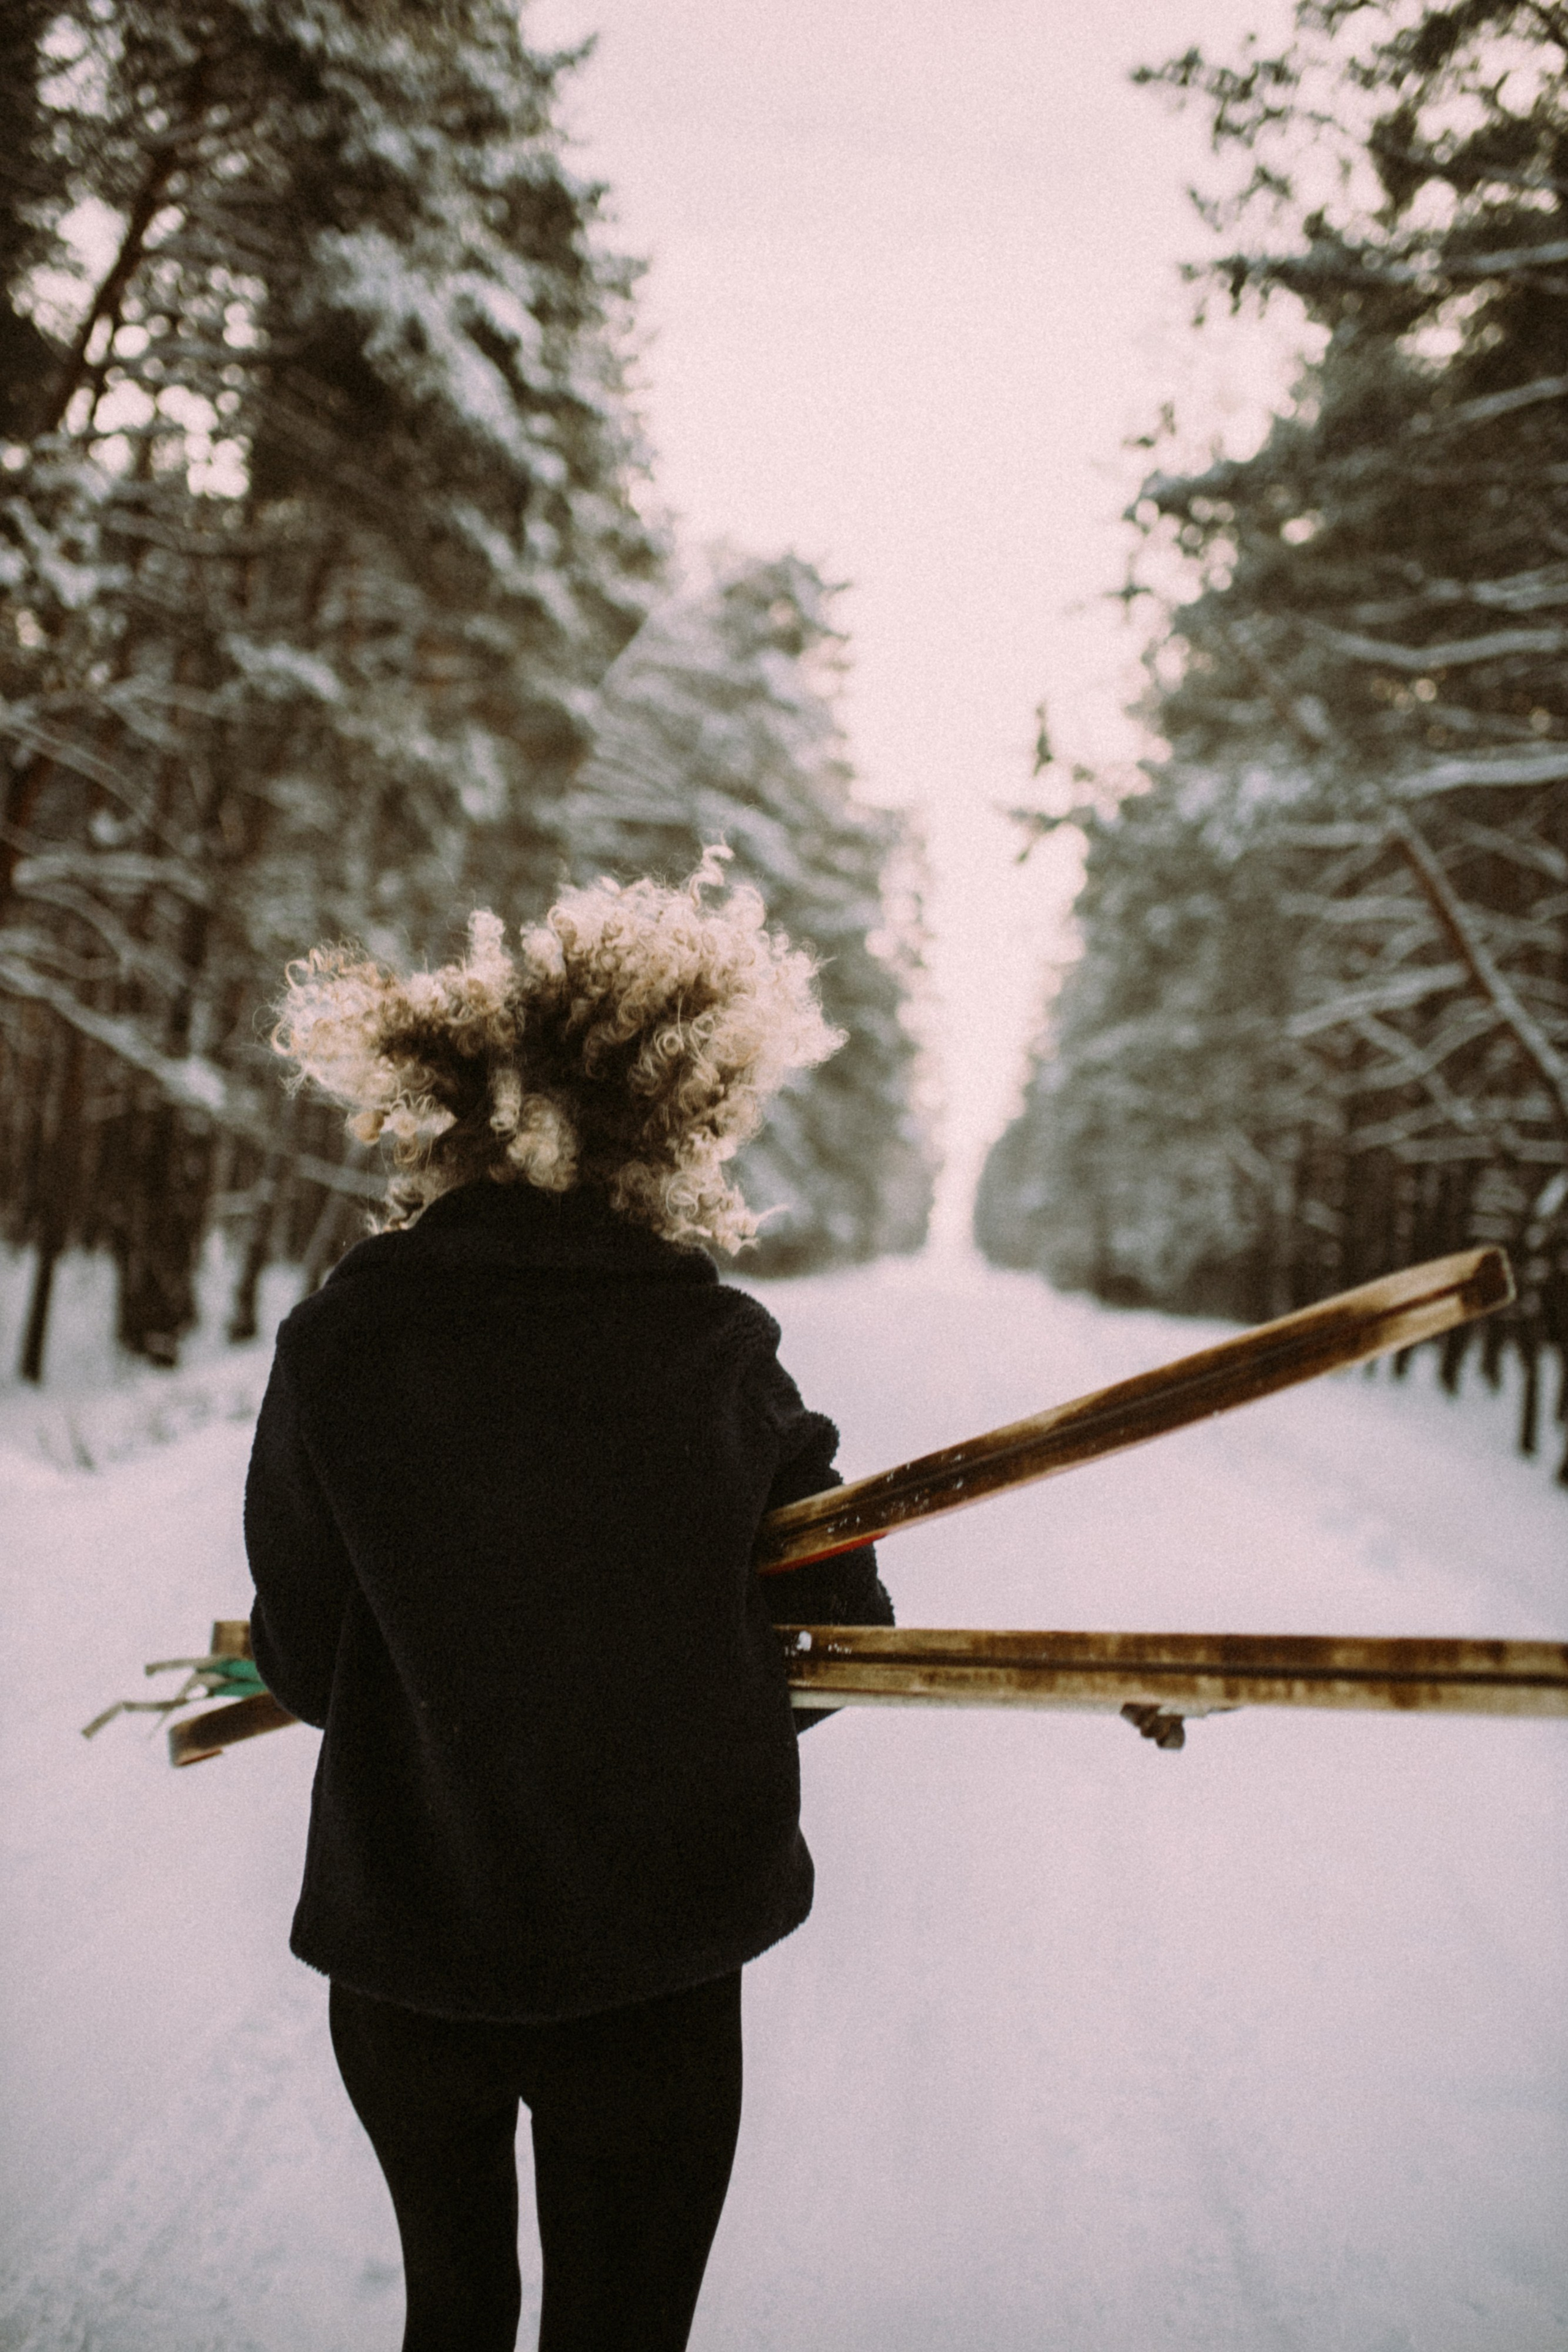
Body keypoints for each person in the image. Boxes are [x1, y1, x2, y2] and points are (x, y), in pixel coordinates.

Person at [243, 850, 894, 2352]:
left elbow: (301, 1659)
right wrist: (671, 1685)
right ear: (671, 1126)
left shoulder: (338, 1345)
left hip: (406, 1962)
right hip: (649, 1967)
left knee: (451, 2317)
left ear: (445, 1112)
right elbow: (841, 1635)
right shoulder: (717, 1354)